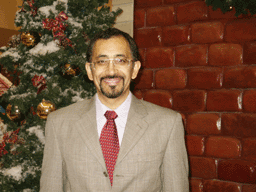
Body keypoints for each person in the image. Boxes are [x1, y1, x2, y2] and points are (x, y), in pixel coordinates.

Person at [40, 28, 189, 192]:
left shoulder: (167, 124)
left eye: (121, 60)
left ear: (135, 68)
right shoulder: (59, 123)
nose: (111, 71)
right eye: (102, 61)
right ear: (90, 70)